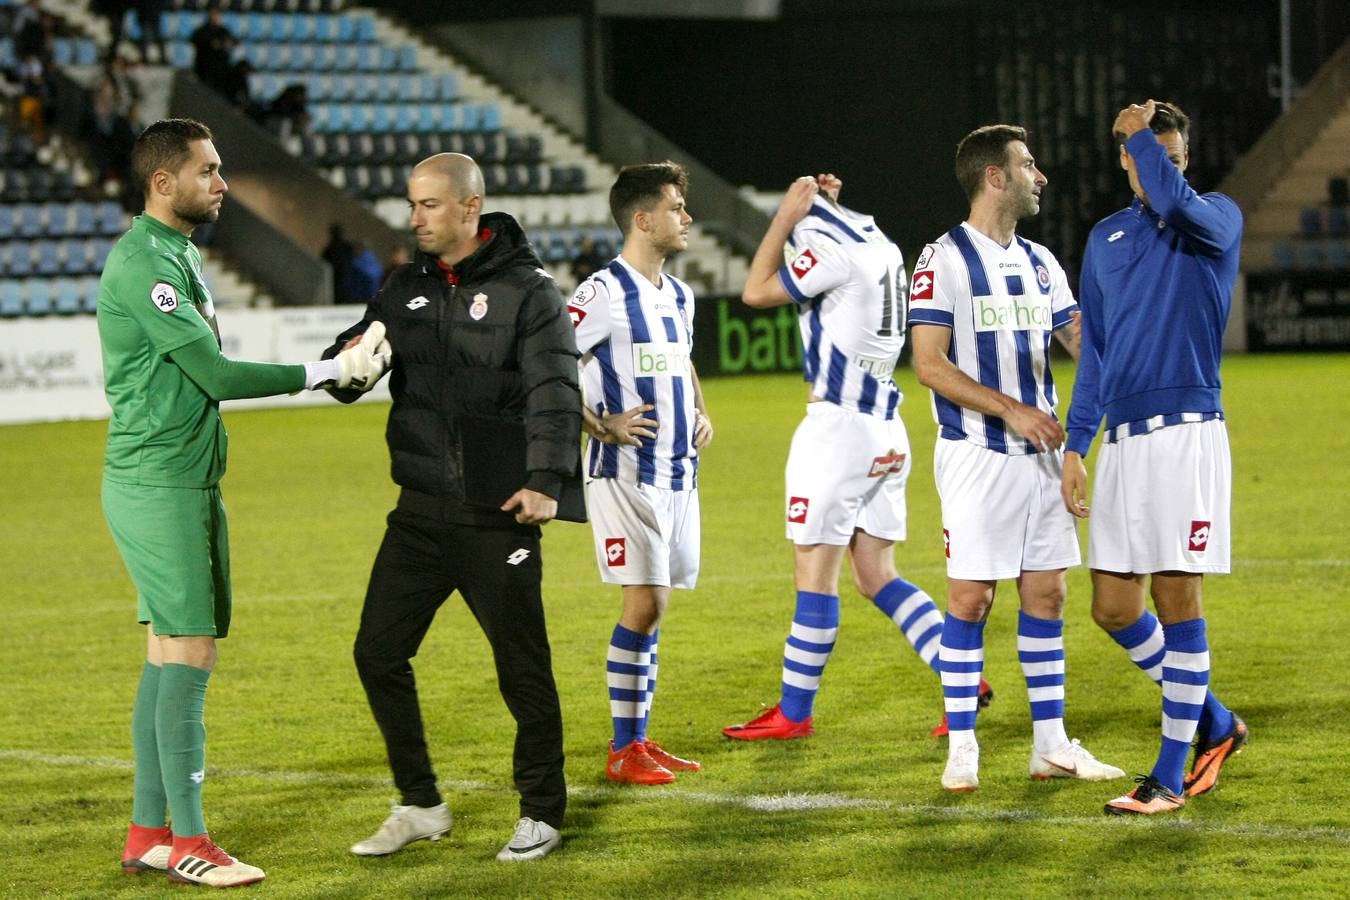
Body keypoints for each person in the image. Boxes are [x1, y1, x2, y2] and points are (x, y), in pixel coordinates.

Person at [101, 118, 389, 889]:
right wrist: (322, 371)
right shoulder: (144, 266)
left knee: (168, 650)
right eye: (209, 171)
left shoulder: (177, 253)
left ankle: (148, 834)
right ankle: (191, 841)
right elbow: (217, 377)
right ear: (164, 182)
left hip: (181, 480)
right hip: (158, 484)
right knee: (190, 650)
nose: (223, 183)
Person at [330, 152, 579, 862]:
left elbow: (555, 392)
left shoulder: (530, 291)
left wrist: (545, 481)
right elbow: (354, 365)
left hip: (499, 509)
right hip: (418, 511)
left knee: (520, 665)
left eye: (429, 206)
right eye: (412, 205)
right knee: (377, 653)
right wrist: (346, 361)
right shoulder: (402, 286)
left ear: (470, 209)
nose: (415, 219)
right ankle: (419, 804)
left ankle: (541, 811)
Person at [721, 173, 991, 743]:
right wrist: (816, 212)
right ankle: (961, 675)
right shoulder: (879, 240)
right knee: (876, 575)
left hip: (837, 431)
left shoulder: (830, 248)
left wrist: (784, 216)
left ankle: (794, 712)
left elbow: (756, 289)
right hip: (886, 428)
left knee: (814, 576)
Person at [907, 124, 1124, 792]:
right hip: (978, 453)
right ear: (994, 176)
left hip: (1041, 455)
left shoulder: (1039, 262)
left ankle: (1051, 745)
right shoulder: (942, 258)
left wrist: (1125, 341)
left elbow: (1081, 341)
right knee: (971, 598)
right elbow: (928, 364)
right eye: (1029, 165)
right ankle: (964, 746)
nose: (1041, 176)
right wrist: (1011, 409)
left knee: (1048, 591)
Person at [1062, 100, 1248, 817]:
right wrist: (1079, 444)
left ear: (1184, 160)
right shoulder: (1105, 237)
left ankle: (1169, 776)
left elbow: (1171, 197)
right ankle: (1218, 722)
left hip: (1186, 436)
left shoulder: (1216, 218)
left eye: (1172, 157)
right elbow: (1098, 354)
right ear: (1123, 163)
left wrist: (1140, 134)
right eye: (1146, 155)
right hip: (1126, 446)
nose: (1159, 168)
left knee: (1176, 601)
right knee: (1113, 608)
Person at [567, 161, 712, 785]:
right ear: (643, 218)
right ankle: (624, 750)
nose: (687, 218)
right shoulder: (600, 293)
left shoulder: (678, 295)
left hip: (681, 473)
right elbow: (543, 364)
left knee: (656, 608)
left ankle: (639, 741)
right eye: (678, 207)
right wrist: (601, 425)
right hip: (623, 470)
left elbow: (682, 362)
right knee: (644, 602)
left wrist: (702, 411)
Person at [188, 5, 236, 98]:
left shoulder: (223, 30)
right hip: (204, 67)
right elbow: (194, 40)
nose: (215, 17)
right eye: (213, 14)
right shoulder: (202, 30)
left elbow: (233, 42)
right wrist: (210, 44)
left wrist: (225, 43)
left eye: (217, 14)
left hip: (221, 68)